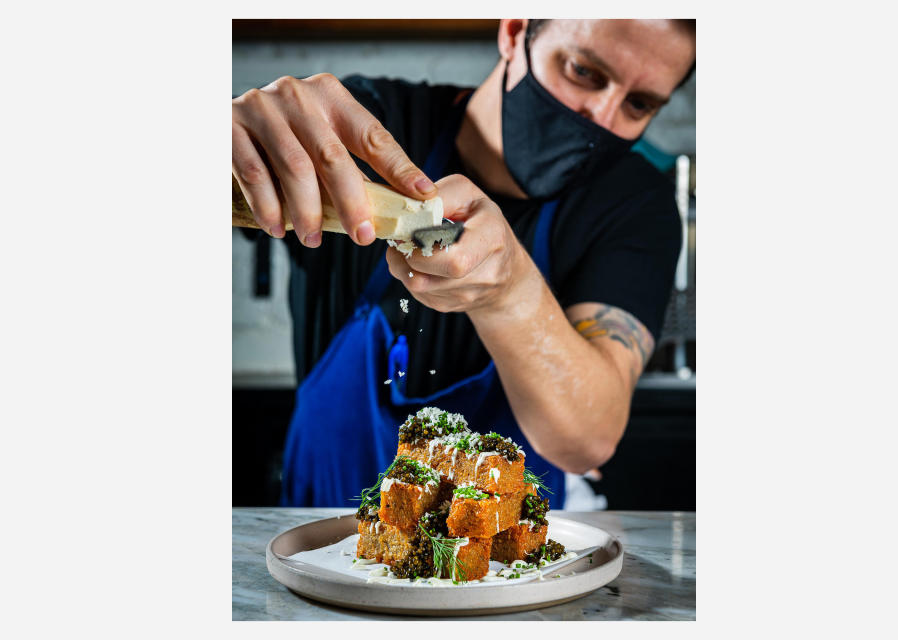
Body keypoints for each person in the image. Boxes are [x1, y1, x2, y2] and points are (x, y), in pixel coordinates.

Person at [231, 19, 696, 508]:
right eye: (583, 71)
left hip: (507, 574)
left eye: (639, 104)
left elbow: (587, 440)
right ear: (515, 32)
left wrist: (511, 291)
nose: (600, 116)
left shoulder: (634, 205)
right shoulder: (368, 126)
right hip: (316, 541)